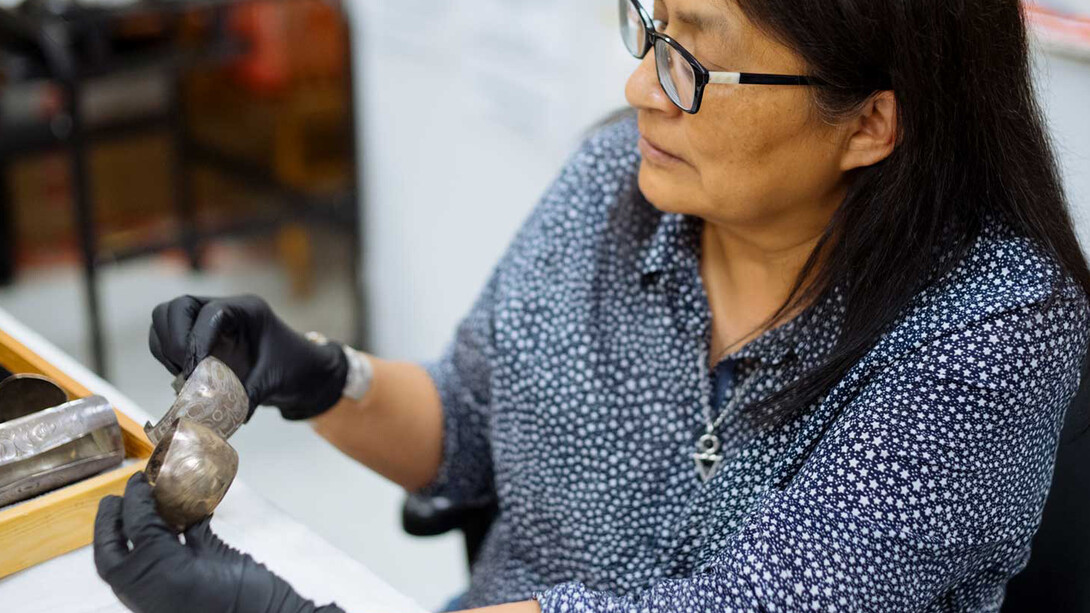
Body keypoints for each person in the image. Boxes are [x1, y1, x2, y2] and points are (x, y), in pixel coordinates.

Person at [93, 0, 1090, 611]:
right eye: (652, 28)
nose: (640, 85)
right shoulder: (619, 177)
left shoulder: (989, 325)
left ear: (871, 121)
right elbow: (470, 420)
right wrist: (320, 374)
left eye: (693, 62)